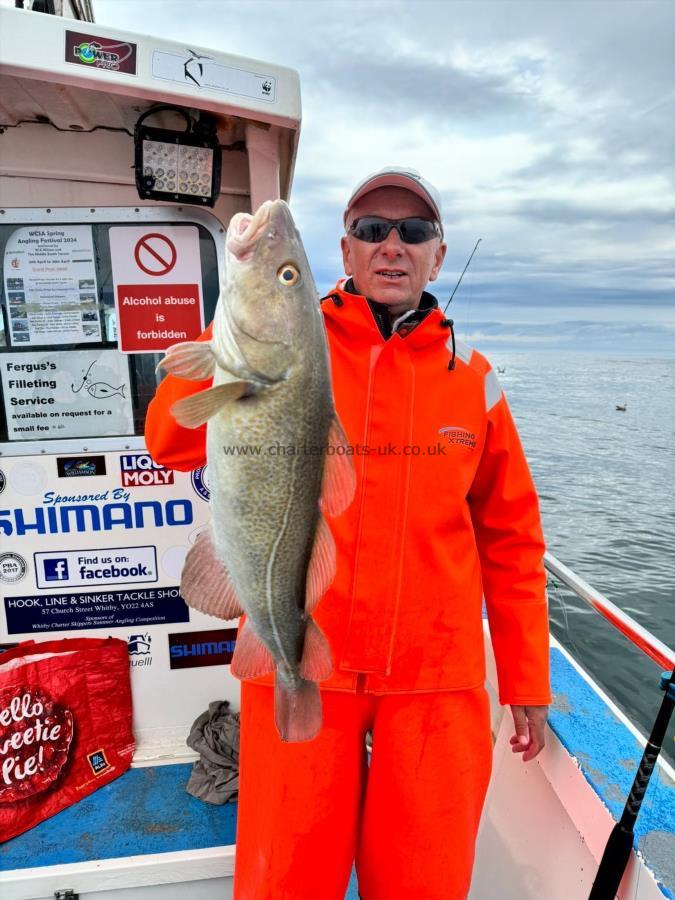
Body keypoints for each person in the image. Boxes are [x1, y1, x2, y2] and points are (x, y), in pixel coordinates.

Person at [145, 167, 551, 900]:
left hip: (436, 676)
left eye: (413, 232)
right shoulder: (292, 336)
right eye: (371, 230)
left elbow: (512, 538)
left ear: (437, 253)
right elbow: (168, 441)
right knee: (285, 879)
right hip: (303, 649)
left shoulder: (476, 381)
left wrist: (524, 679)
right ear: (346, 250)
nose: (391, 245)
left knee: (423, 882)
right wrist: (226, 338)